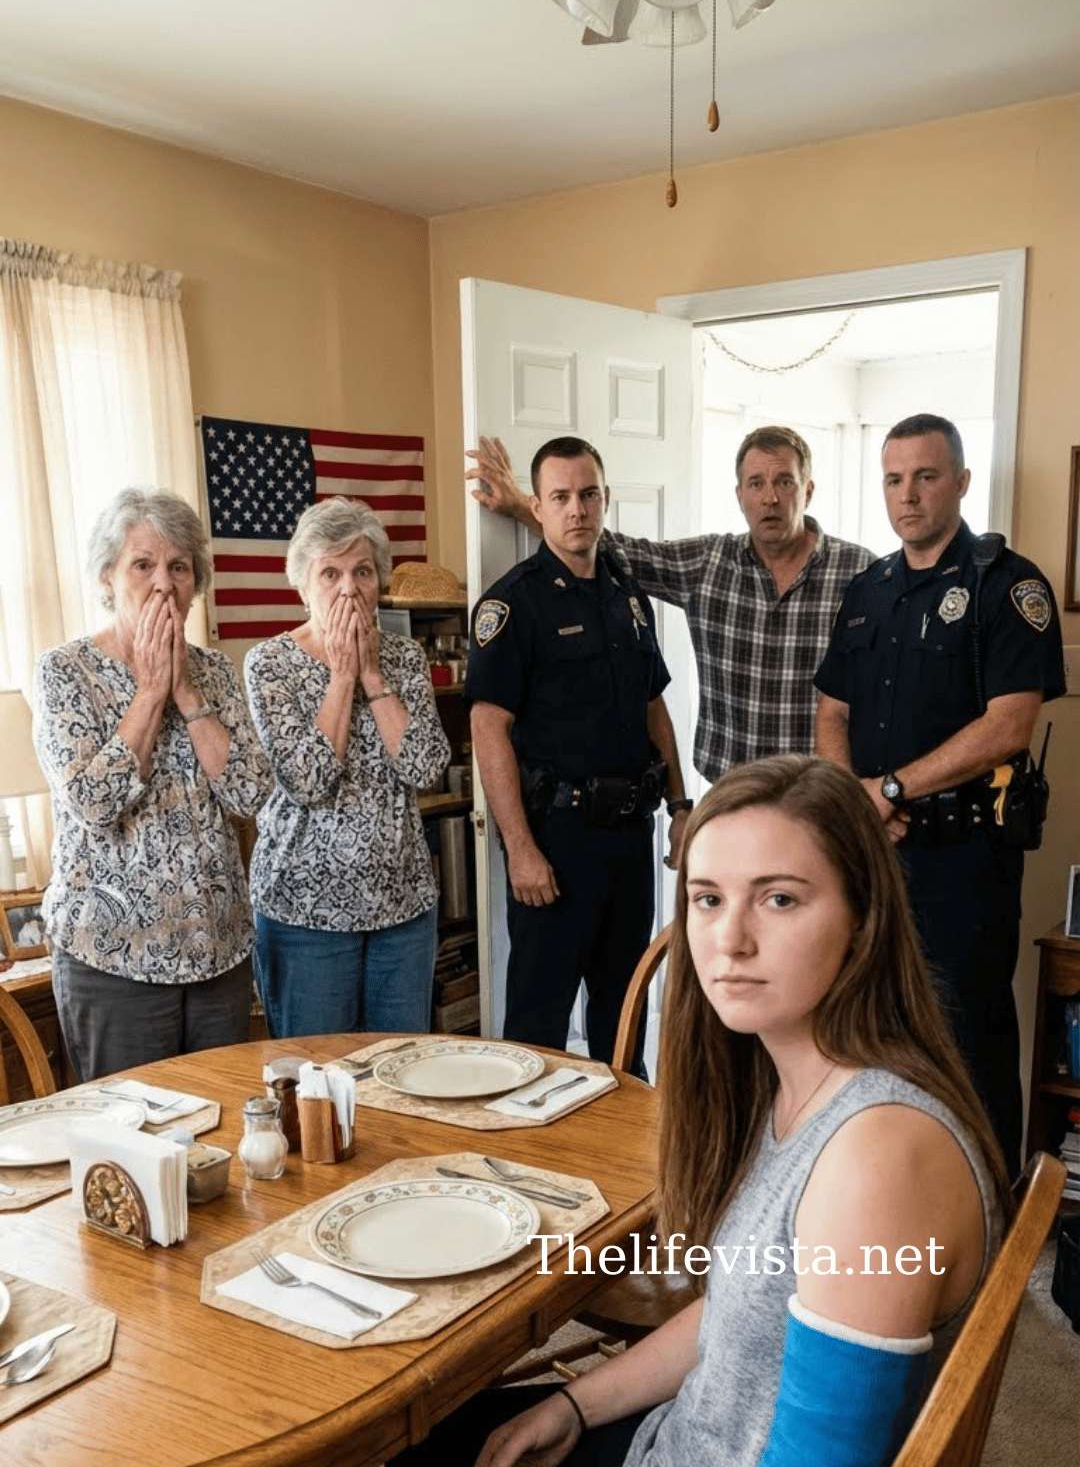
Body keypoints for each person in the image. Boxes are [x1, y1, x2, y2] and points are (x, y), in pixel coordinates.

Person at [316, 754, 1009, 1467]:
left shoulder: (880, 1154)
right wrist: (574, 1405)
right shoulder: (810, 1082)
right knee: (447, 1440)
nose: (728, 940)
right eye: (706, 898)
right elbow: (743, 1307)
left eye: (779, 899)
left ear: (864, 918)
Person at [814, 412, 1066, 1176]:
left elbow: (1010, 725)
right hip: (876, 855)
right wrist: (853, 797)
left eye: (926, 476)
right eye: (894, 479)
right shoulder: (868, 590)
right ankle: (894, 1186)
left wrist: (889, 787)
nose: (909, 495)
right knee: (872, 1025)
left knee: (967, 1034)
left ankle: (990, 1206)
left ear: (960, 480)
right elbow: (832, 710)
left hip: (965, 858)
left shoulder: (1006, 583)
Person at [467, 426, 872, 780]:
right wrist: (524, 504)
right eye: (756, 483)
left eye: (784, 482)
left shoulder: (859, 573)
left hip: (819, 793)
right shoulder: (709, 564)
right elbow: (605, 545)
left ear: (809, 490)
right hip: (730, 792)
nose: (770, 498)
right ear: (739, 495)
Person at [465, 435, 689, 1067]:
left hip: (628, 840)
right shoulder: (514, 604)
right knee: (538, 1028)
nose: (577, 509)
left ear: (606, 498)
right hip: (555, 842)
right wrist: (520, 849)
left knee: (624, 1019)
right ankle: (528, 1162)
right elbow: (489, 730)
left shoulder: (629, 598)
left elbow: (654, 707)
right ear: (536, 507)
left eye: (588, 494)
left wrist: (679, 805)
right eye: (560, 496)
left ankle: (617, 1156)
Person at [33, 487, 271, 1081]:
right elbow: (94, 801)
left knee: (220, 1139)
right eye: (143, 565)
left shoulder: (214, 670)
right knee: (132, 1147)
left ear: (196, 583)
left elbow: (251, 795)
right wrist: (150, 692)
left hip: (218, 952)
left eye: (179, 567)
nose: (163, 583)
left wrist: (186, 691)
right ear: (107, 578)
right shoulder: (65, 671)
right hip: (113, 959)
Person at [244, 498, 450, 1037]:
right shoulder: (269, 663)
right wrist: (341, 675)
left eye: (362, 571)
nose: (348, 588)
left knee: (399, 1074)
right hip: (303, 915)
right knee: (317, 1081)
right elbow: (308, 780)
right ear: (303, 585)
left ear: (379, 580)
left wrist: (372, 675)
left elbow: (425, 766)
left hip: (402, 910)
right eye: (329, 573)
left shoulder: (405, 658)